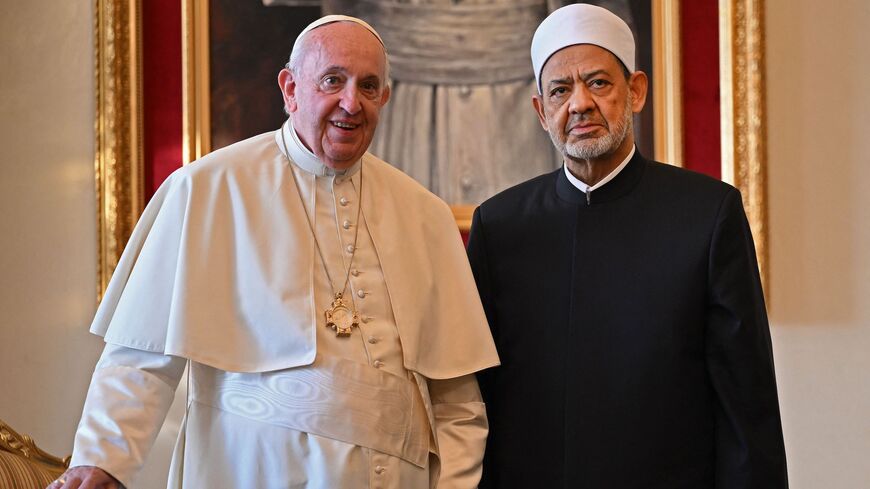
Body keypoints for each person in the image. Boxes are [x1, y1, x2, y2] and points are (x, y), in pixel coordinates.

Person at [50, 15, 498, 489]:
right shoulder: (207, 189)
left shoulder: (424, 215)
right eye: (332, 80)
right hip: (246, 472)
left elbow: (457, 402)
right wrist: (101, 460)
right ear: (290, 88)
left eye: (369, 86)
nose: (352, 102)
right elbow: (139, 358)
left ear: (384, 98)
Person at [466, 4, 788, 488]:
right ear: (541, 110)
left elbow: (747, 403)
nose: (579, 104)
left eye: (598, 83)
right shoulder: (499, 224)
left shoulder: (708, 214)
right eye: (560, 89)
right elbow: (476, 400)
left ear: (635, 91)